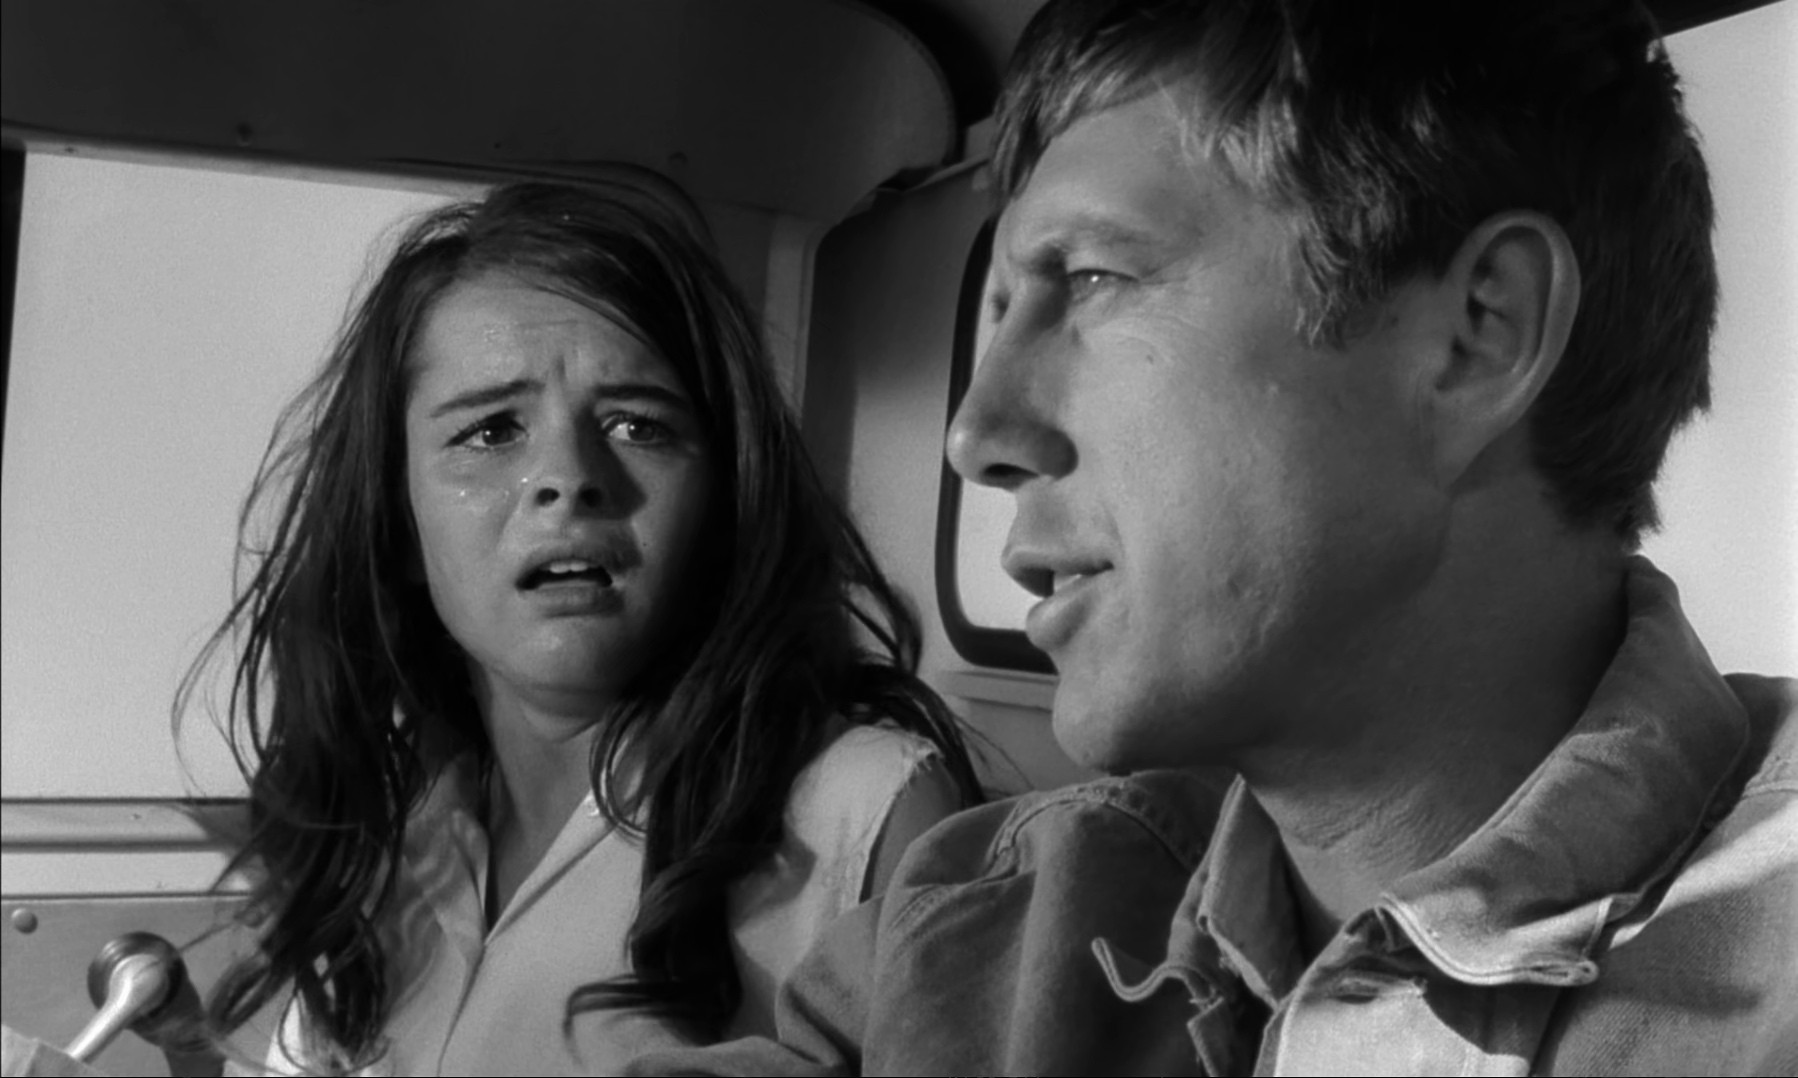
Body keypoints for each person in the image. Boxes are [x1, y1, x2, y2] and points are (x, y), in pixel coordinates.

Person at [630, 0, 1796, 1074]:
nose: (978, 433)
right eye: (998, 313)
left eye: (1092, 278)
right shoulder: (966, 927)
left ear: (1476, 334)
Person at [171, 179, 982, 1075]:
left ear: (725, 502)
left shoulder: (869, 813)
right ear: (397, 526)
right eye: (490, 432)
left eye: (638, 425)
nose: (568, 477)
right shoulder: (392, 839)